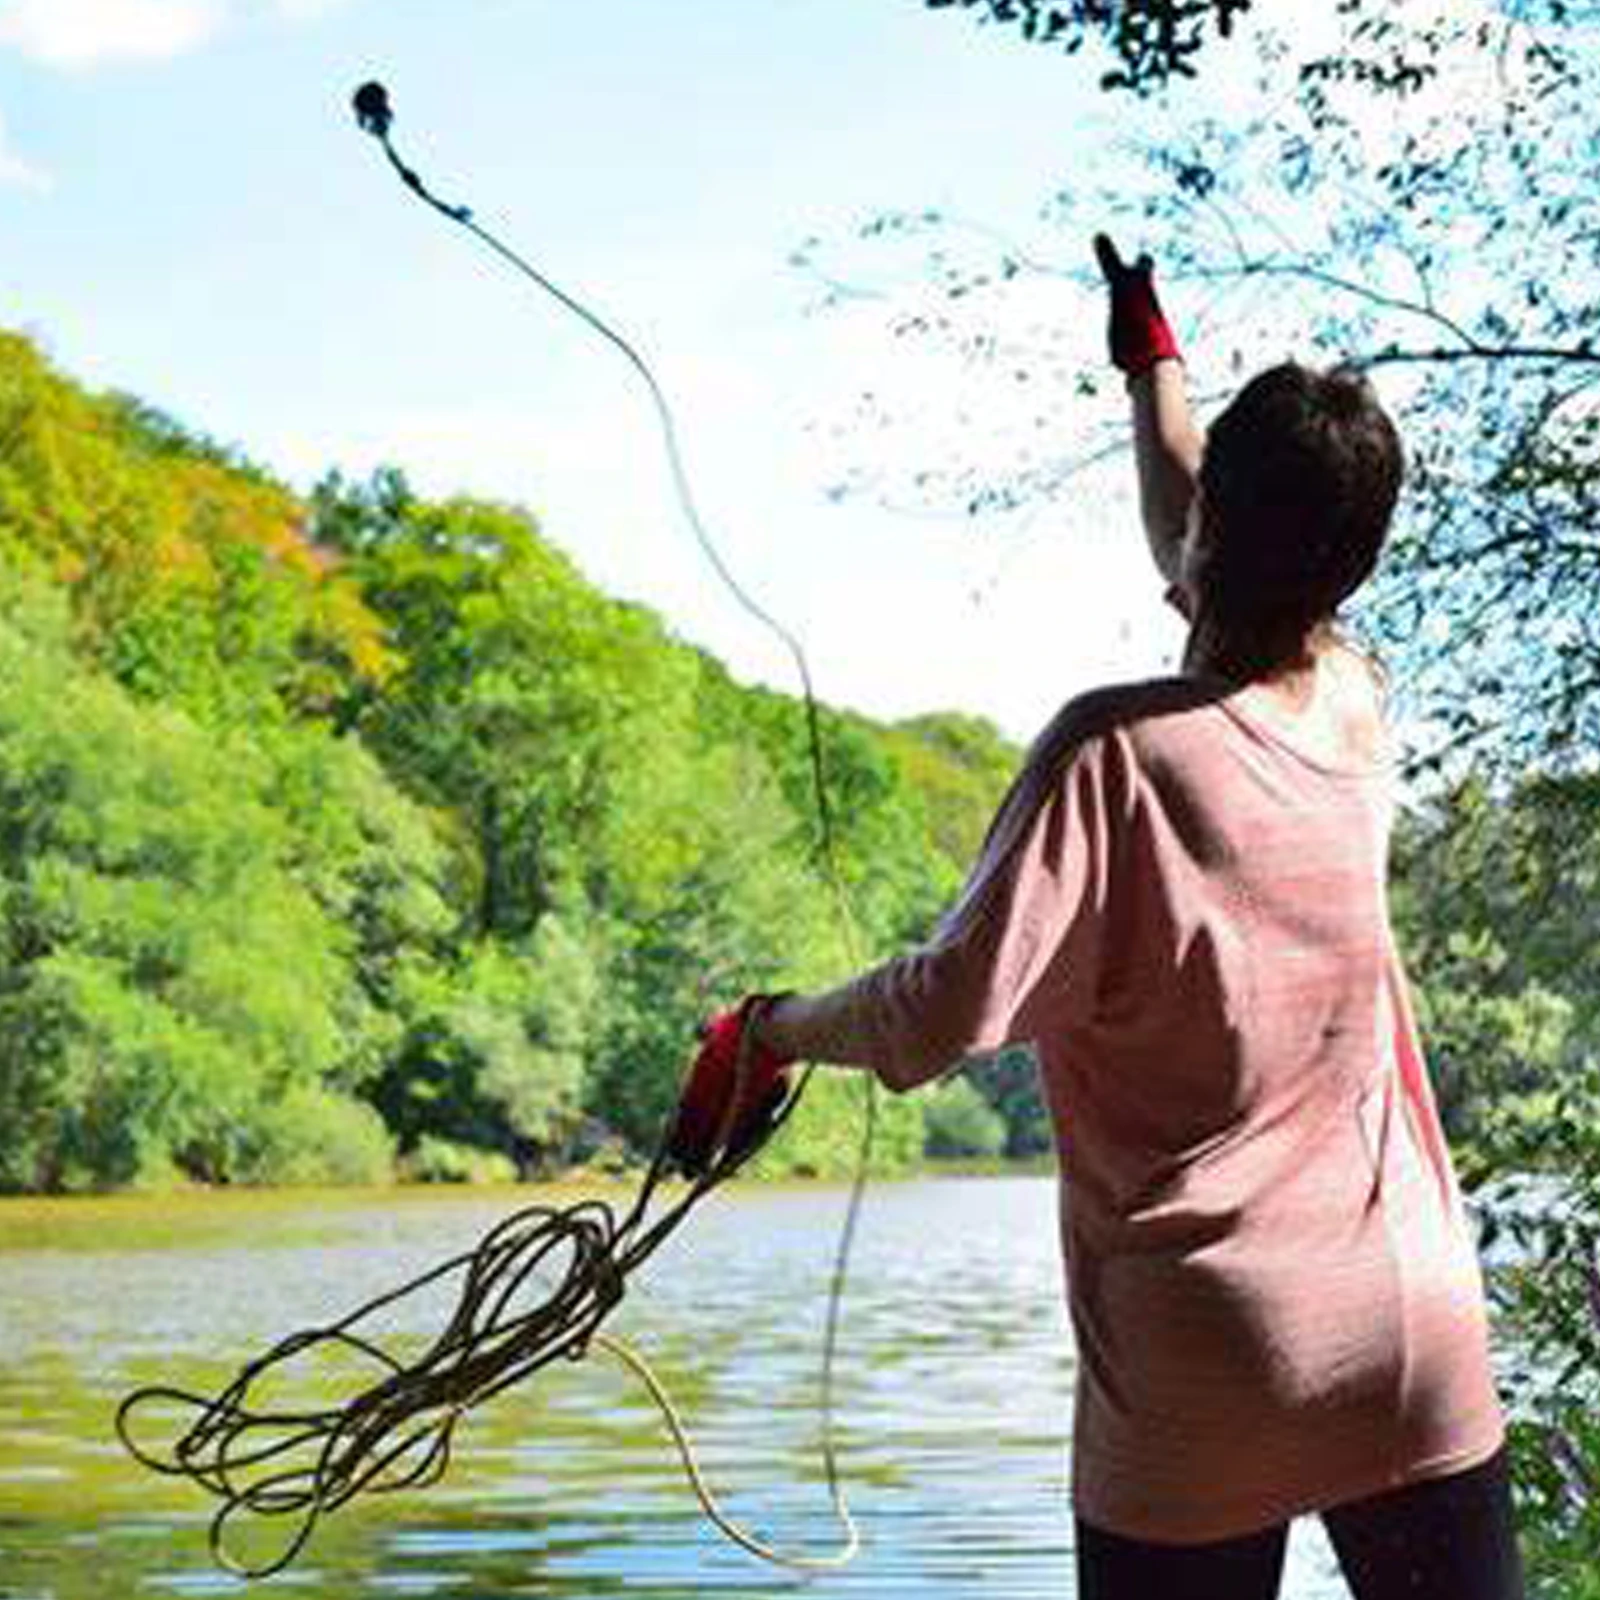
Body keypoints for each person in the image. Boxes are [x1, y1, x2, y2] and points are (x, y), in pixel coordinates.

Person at [672, 235, 1527, 1600]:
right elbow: (1210, 537)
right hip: (1409, 1330)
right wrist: (1154, 369)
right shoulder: (1355, 708)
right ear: (1351, 568)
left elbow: (936, 1013)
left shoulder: (1108, 754)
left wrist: (771, 1030)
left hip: (1207, 1359)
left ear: (1210, 543)